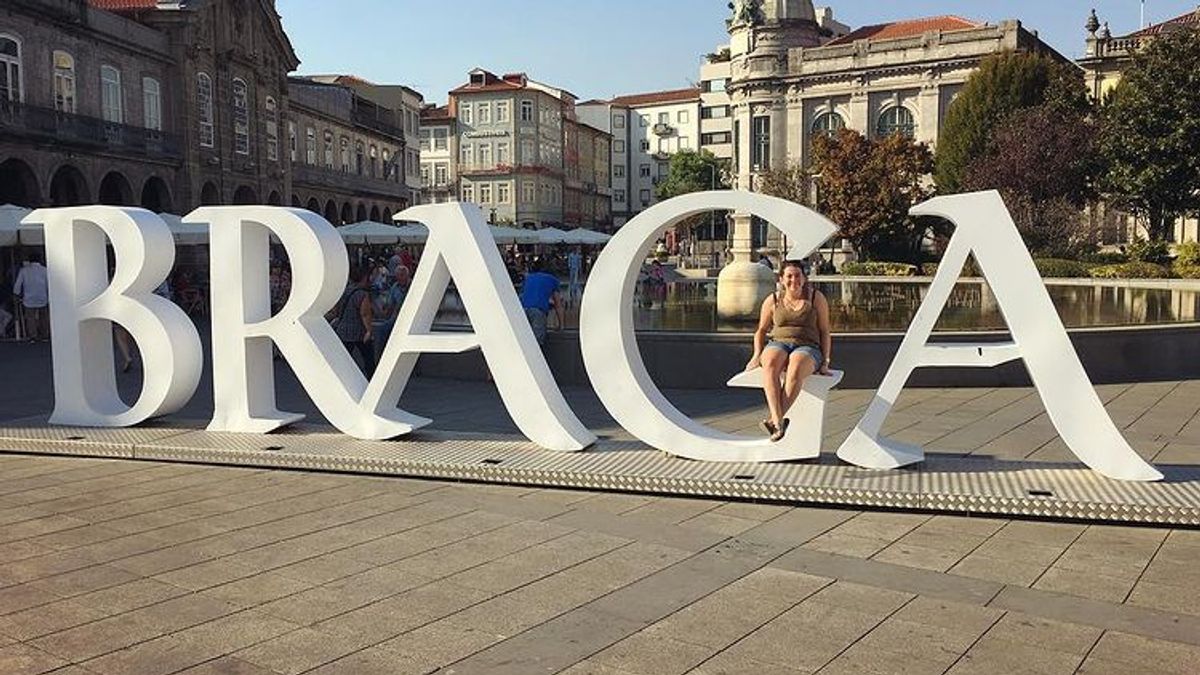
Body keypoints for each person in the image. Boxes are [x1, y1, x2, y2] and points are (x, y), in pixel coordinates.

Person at [745, 259, 833, 442]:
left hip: (808, 346)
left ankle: (774, 421)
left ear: (804, 278)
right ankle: (778, 421)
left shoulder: (816, 298)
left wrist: (825, 361)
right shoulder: (773, 300)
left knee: (796, 365)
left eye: (798, 276)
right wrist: (756, 355)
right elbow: (761, 330)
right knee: (769, 362)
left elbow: (824, 331)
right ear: (782, 279)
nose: (794, 280)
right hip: (779, 342)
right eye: (789, 276)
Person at [331, 264, 376, 377]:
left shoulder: (344, 291)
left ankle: (340, 378)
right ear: (364, 278)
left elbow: (336, 309)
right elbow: (365, 314)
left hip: (343, 329)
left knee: (344, 357)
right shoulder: (362, 294)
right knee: (368, 358)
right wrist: (369, 331)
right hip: (359, 330)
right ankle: (372, 379)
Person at [519, 260, 562, 348]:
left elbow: (525, 294)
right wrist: (561, 325)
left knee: (523, 342)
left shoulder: (529, 278)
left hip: (522, 310)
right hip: (538, 311)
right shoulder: (553, 280)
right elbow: (558, 305)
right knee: (536, 346)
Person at [13, 252, 49, 342]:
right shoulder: (45, 270)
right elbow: (49, 284)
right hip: (43, 297)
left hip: (29, 298)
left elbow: (17, 285)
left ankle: (33, 336)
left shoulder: (24, 270)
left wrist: (16, 294)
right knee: (43, 317)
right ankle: (44, 335)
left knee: (30, 318)